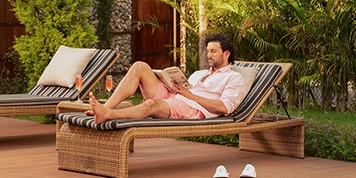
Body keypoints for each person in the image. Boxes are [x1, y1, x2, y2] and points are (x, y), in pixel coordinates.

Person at [89, 33, 245, 122]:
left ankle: (108, 115)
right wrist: (170, 84)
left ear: (226, 54)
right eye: (208, 51)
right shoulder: (200, 73)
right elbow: (184, 91)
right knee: (139, 66)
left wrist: (190, 96)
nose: (208, 55)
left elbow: (224, 108)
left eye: (213, 51)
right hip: (174, 97)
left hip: (193, 109)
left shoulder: (234, 78)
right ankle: (106, 107)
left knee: (151, 104)